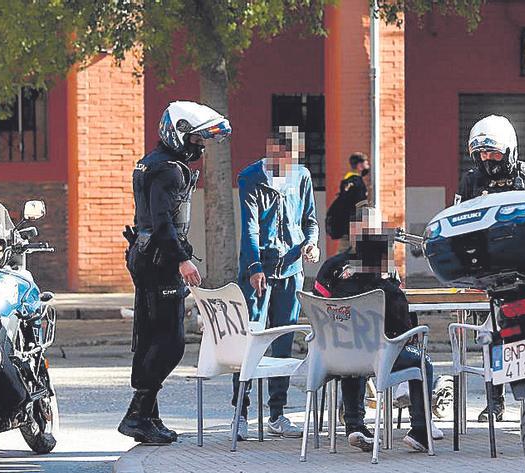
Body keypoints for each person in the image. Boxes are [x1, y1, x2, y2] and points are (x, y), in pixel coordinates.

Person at [120, 101, 231, 445]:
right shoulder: (168, 170)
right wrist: (182, 259)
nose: (199, 145)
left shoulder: (151, 163)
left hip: (145, 254)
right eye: (196, 138)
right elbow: (163, 220)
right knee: (170, 342)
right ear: (178, 133)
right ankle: (137, 414)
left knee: (150, 336)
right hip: (159, 258)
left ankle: (148, 416)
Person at [314, 206, 442, 452]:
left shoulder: (332, 268)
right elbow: (403, 323)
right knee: (421, 361)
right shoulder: (386, 277)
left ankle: (354, 424)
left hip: (337, 351)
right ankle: (420, 430)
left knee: (354, 349)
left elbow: (320, 306)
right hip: (378, 351)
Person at [458, 114, 525, 422]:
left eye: (493, 152)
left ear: (509, 150)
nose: (487, 159)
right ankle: (495, 401)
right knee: (492, 337)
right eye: (482, 153)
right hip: (488, 273)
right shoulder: (471, 180)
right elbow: (457, 223)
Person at [232, 126, 319, 440]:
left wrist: (310, 243)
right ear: (272, 148)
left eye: (293, 159)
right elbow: (250, 228)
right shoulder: (251, 178)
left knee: (283, 343)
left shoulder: (301, 176)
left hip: (292, 268)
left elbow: (309, 218)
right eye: (284, 158)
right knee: (251, 340)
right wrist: (254, 267)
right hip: (259, 270)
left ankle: (277, 414)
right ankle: (240, 413)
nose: (288, 166)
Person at [457, 115, 525, 202]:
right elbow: (458, 214)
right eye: (484, 153)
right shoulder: (470, 180)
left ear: (508, 153)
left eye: (495, 153)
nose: (489, 158)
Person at [326, 152, 370, 251]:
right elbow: (361, 205)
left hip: (345, 225)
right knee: (350, 253)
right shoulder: (358, 183)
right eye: (366, 163)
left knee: (345, 251)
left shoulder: (347, 181)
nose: (368, 166)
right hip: (353, 226)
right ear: (360, 166)